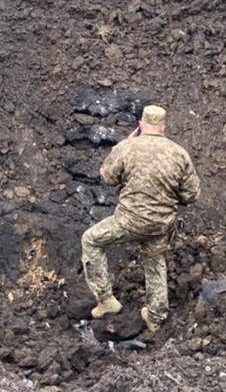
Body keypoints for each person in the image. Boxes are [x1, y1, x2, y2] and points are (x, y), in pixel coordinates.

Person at [80, 104, 201, 333]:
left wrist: (122, 146)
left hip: (128, 221)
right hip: (160, 224)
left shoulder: (127, 147)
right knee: (154, 261)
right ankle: (155, 316)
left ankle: (106, 300)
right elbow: (191, 195)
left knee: (91, 240)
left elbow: (107, 177)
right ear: (163, 128)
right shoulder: (179, 153)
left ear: (141, 125)